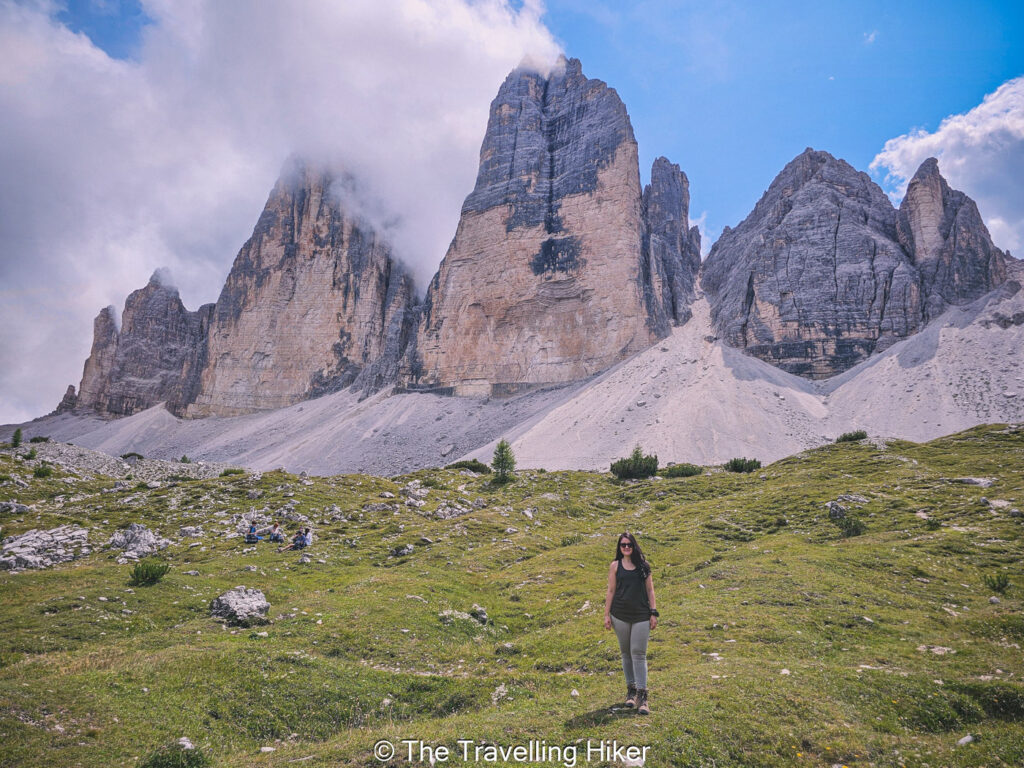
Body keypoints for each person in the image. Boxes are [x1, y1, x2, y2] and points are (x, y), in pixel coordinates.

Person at [604, 531, 658, 715]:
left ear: (634, 546)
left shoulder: (644, 566)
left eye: (629, 544)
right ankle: (631, 691)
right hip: (619, 615)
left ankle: (643, 697)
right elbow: (611, 591)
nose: (626, 547)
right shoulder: (615, 566)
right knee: (626, 653)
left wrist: (653, 612)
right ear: (619, 548)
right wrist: (606, 615)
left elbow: (650, 590)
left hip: (641, 615)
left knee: (638, 653)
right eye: (623, 545)